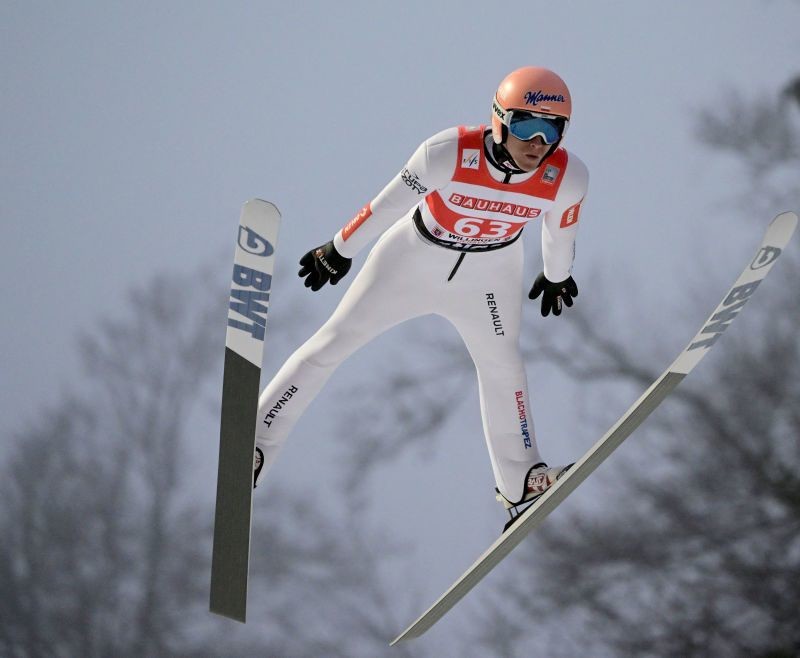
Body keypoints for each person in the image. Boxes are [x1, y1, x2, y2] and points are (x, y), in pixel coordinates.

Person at [253, 66, 588, 521]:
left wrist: (556, 275)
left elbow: (560, 232)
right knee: (333, 344)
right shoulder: (448, 152)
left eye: (552, 129)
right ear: (499, 120)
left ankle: (520, 480)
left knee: (503, 365)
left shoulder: (567, 176)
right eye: (527, 125)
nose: (538, 143)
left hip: (489, 276)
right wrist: (340, 247)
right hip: (413, 260)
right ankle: (256, 443)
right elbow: (385, 203)